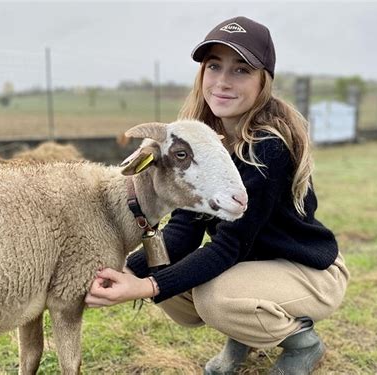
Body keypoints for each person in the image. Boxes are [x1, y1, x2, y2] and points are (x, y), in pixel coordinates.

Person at [85, 16, 349, 375]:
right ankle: (244, 332)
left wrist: (144, 286)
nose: (223, 82)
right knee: (165, 267)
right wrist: (114, 273)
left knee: (214, 298)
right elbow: (182, 233)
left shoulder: (269, 147)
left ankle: (303, 343)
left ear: (263, 81)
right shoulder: (201, 141)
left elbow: (230, 247)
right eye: (214, 66)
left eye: (241, 70)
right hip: (249, 269)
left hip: (308, 271)